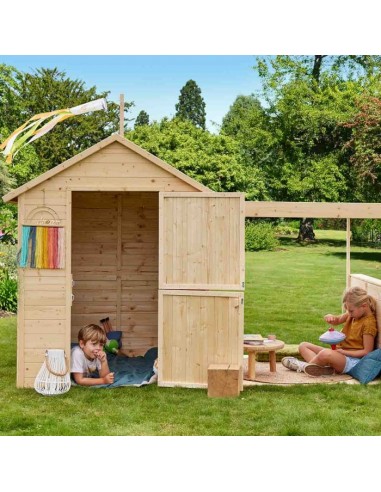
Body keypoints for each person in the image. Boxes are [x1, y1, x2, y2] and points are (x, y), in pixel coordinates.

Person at [281, 286, 378, 377]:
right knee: (303, 345)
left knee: (324, 353)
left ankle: (302, 367)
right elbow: (337, 320)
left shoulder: (369, 323)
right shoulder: (352, 313)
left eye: (351, 311)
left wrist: (344, 352)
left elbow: (367, 352)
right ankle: (323, 369)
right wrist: (330, 317)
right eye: (348, 310)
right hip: (340, 354)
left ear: (364, 305)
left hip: (352, 361)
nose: (349, 313)